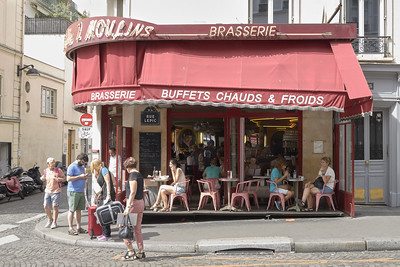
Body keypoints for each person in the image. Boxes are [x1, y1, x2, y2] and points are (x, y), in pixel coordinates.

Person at [121, 157, 145, 260]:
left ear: (127, 167)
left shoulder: (133, 175)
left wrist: (128, 207)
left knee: (122, 225)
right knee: (137, 228)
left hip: (134, 203)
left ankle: (130, 251)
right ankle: (141, 251)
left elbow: (132, 192)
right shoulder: (139, 174)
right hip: (141, 202)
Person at [90, 159, 116, 241]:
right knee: (101, 212)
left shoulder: (104, 170)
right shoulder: (100, 171)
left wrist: (108, 195)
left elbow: (108, 182)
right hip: (104, 193)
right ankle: (106, 233)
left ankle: (107, 234)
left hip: (108, 194)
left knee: (102, 212)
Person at [66, 153, 89, 235]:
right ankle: (70, 228)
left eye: (84, 163)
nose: (83, 164)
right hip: (73, 191)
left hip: (80, 191)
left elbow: (82, 176)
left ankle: (79, 227)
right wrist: (80, 176)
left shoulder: (82, 167)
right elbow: (68, 178)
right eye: (83, 162)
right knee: (72, 210)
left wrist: (85, 177)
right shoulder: (72, 166)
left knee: (79, 210)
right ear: (79, 159)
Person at [41, 157, 65, 229]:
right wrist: (42, 178)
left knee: (55, 206)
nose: (54, 164)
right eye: (52, 162)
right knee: (45, 206)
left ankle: (54, 222)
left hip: (56, 191)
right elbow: (44, 177)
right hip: (48, 190)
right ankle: (50, 219)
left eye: (54, 162)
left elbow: (65, 178)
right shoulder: (46, 171)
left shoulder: (58, 170)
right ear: (48, 164)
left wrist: (60, 179)